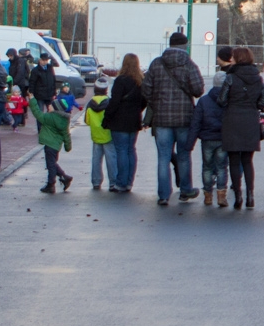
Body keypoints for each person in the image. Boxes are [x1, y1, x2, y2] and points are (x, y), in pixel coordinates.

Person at [142, 32, 205, 206]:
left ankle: (163, 195)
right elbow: (198, 90)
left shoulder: (157, 63)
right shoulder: (189, 64)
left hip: (162, 119)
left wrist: (156, 102)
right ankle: (185, 190)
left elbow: (146, 89)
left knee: (163, 157)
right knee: (184, 155)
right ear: (185, 45)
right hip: (184, 118)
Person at [219, 47, 264, 210]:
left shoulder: (231, 77)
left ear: (237, 59)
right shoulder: (258, 78)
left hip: (232, 119)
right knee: (248, 161)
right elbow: (263, 103)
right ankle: (250, 196)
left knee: (234, 161)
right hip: (250, 120)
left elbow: (221, 100)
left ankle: (238, 197)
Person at [102, 54, 147, 193]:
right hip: (134, 120)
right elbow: (144, 101)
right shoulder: (140, 81)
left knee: (121, 150)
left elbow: (114, 102)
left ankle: (121, 182)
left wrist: (107, 118)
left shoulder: (120, 80)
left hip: (119, 120)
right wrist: (137, 111)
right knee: (130, 150)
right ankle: (129, 182)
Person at [191, 82, 229, 206]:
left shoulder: (204, 101)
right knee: (221, 167)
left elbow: (196, 122)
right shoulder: (228, 100)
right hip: (222, 138)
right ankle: (221, 196)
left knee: (207, 167)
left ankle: (208, 196)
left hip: (207, 139)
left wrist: (190, 142)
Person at [35, 98, 74, 194]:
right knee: (52, 163)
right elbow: (66, 134)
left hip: (49, 145)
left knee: (51, 165)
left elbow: (37, 114)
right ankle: (65, 177)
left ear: (56, 108)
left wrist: (32, 100)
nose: (49, 106)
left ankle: (51, 184)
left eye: (51, 105)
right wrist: (68, 146)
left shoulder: (50, 117)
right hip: (56, 146)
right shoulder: (64, 120)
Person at [84, 77, 116, 191]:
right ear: (106, 89)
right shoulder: (109, 102)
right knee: (111, 159)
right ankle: (113, 182)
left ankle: (96, 181)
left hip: (96, 135)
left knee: (96, 160)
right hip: (108, 134)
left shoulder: (90, 104)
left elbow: (87, 121)